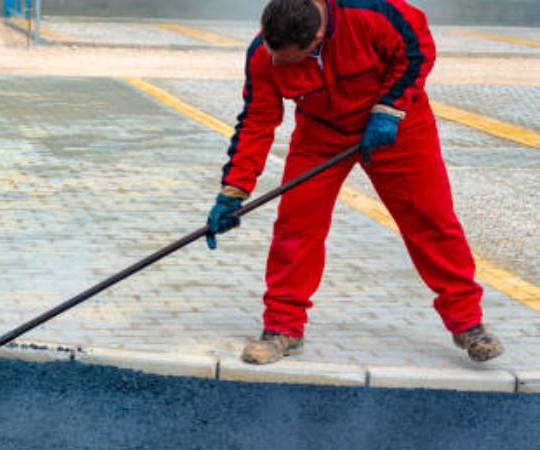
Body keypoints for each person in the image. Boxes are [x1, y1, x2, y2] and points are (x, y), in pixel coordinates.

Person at [205, 0, 503, 365]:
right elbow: (256, 121)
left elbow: (417, 48)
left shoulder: (373, 13)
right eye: (271, 53)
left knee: (430, 220)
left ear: (316, 38)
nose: (276, 63)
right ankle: (283, 327)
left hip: (397, 129)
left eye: (289, 60)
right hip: (320, 136)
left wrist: (389, 109)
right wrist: (233, 191)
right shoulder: (263, 53)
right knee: (295, 228)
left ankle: (468, 324)